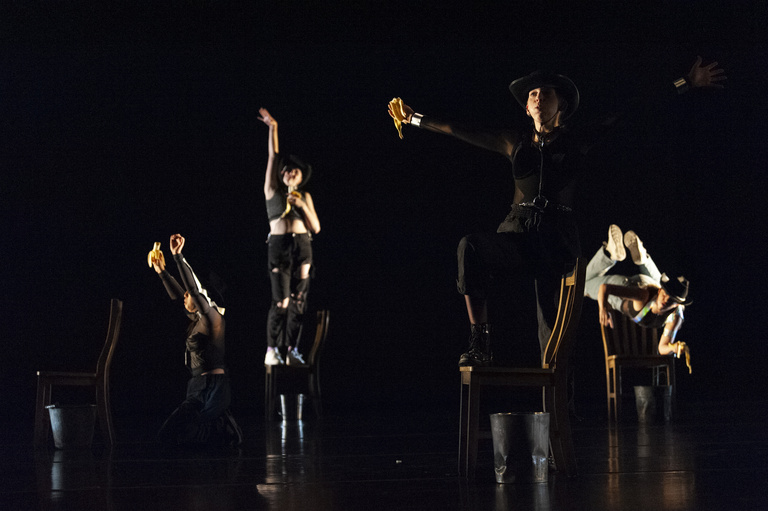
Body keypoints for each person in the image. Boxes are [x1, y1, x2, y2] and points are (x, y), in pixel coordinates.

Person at [388, 57, 724, 367]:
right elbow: (460, 130)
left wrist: (685, 83)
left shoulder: (576, 140)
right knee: (469, 248)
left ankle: (562, 399)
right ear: (527, 108)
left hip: (556, 242)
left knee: (550, 327)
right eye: (531, 94)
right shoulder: (514, 143)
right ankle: (481, 342)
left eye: (543, 93)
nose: (535, 98)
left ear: (559, 103)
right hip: (517, 233)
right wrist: (413, 118)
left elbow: (632, 110)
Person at [152, 234, 243, 447]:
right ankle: (220, 424)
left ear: (205, 297)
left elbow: (193, 290)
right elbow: (180, 296)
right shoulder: (198, 320)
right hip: (198, 387)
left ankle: (223, 425)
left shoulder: (213, 320)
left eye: (190, 292)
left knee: (174, 437)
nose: (185, 293)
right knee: (177, 437)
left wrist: (178, 257)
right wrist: (162, 272)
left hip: (212, 389)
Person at [259, 108, 321, 366]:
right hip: (279, 246)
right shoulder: (272, 190)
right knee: (282, 300)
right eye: (287, 170)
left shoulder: (304, 196)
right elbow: (273, 156)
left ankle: (292, 349)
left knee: (298, 299)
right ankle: (272, 349)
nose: (291, 172)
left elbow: (316, 227)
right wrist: (273, 127)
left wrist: (303, 205)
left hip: (303, 245)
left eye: (296, 170)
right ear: (282, 175)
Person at [585, 224, 691, 359]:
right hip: (631, 287)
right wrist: (603, 307)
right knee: (583, 285)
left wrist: (675, 348)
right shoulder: (643, 296)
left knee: (662, 285)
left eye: (670, 301)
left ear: (676, 305)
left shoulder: (675, 316)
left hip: (651, 284)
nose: (665, 301)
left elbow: (662, 347)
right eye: (664, 296)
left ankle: (643, 259)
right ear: (660, 292)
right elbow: (604, 288)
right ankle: (611, 253)